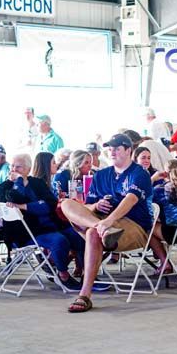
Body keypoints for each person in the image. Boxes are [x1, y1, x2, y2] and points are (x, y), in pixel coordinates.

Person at [61, 134, 154, 313]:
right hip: (105, 225)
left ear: (129, 150)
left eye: (117, 148)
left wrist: (109, 221)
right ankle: (101, 228)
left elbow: (131, 199)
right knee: (66, 204)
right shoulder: (101, 175)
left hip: (134, 226)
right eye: (110, 148)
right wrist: (97, 207)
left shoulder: (139, 173)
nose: (112, 152)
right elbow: (88, 205)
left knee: (92, 233)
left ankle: (85, 294)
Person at [0, 154, 84, 291]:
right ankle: (63, 275)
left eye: (18, 166)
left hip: (51, 225)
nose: (13, 169)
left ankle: (87, 273)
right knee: (59, 241)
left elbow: (49, 205)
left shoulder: (38, 183)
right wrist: (19, 182)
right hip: (25, 233)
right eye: (12, 166)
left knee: (79, 234)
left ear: (28, 169)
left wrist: (24, 206)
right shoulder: (4, 187)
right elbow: (12, 197)